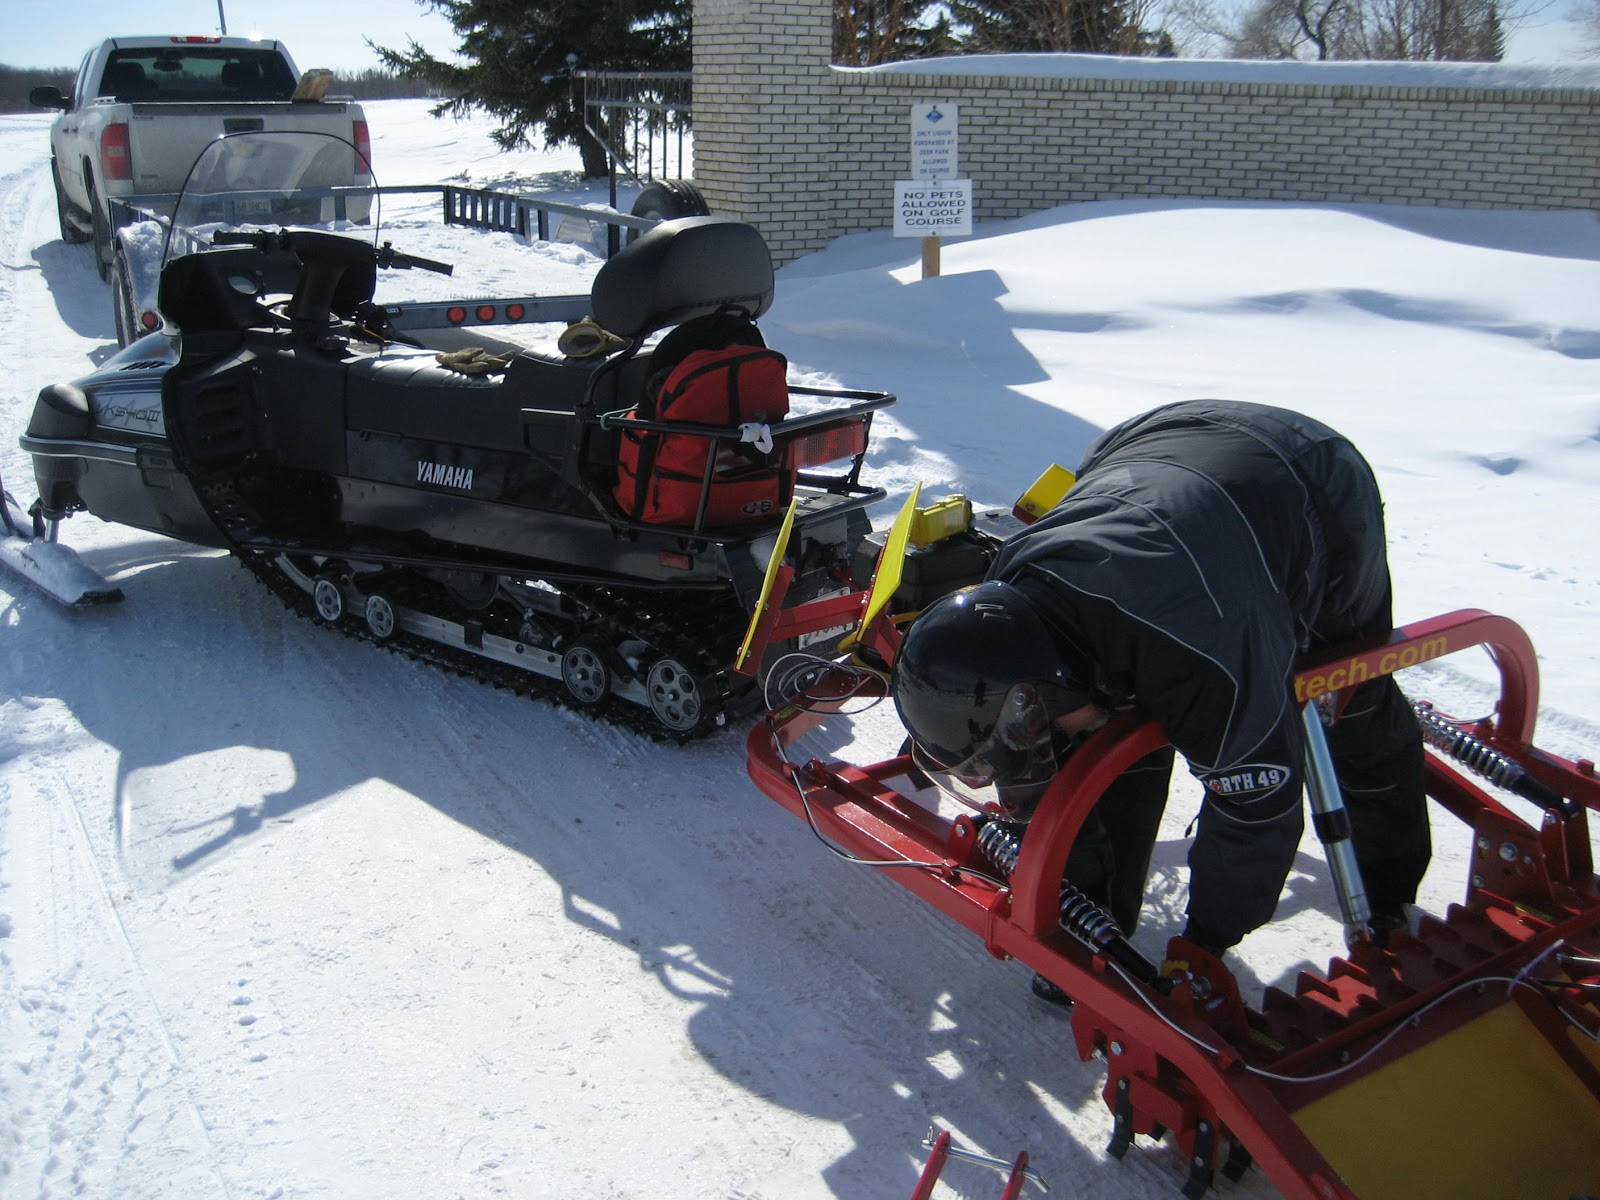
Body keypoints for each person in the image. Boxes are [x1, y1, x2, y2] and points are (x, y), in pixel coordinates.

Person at [891, 400, 1429, 976]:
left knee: (1348, 698)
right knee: (1102, 729)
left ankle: (1388, 896)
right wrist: (1075, 928)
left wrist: (1206, 942)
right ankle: (1098, 923)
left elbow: (1257, 807)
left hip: (1310, 481)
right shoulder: (1013, 596)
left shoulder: (1203, 653)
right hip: (1152, 446)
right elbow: (1065, 759)